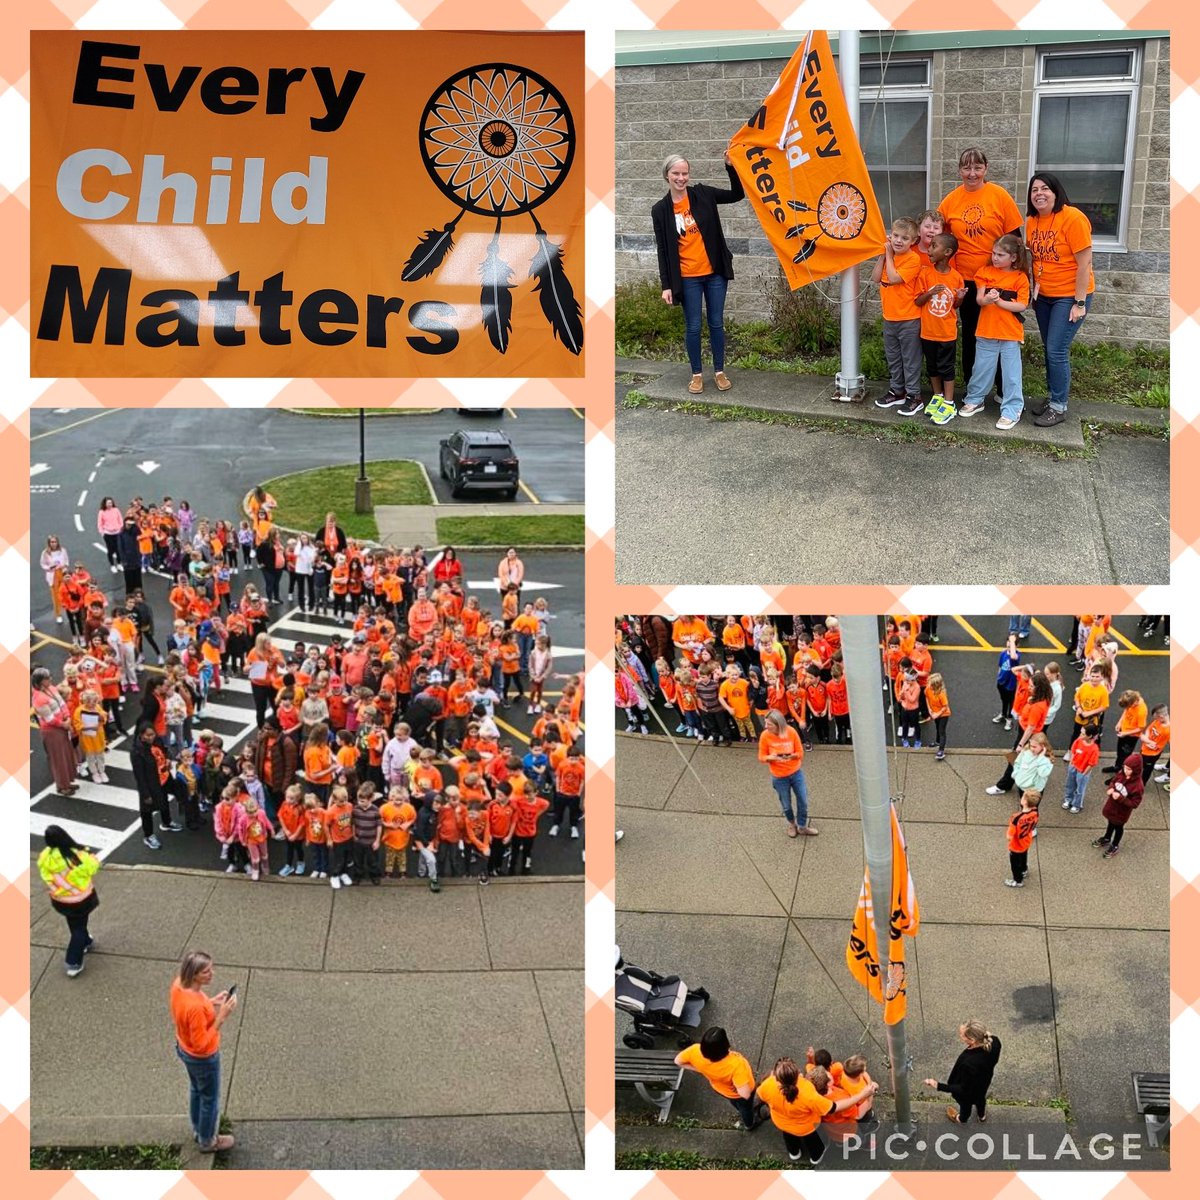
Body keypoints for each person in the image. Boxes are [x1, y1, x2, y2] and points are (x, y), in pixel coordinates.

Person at [651, 151, 744, 394]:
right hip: (687, 278)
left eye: (684, 173)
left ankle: (720, 372)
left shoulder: (703, 194)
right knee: (693, 326)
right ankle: (697, 375)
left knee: (716, 323)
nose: (681, 178)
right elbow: (662, 249)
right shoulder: (660, 210)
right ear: (667, 176)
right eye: (676, 173)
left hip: (714, 274)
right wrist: (666, 285)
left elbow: (737, 194)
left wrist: (730, 167)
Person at [938, 147, 1022, 395]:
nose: (972, 173)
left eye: (977, 167)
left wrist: (1017, 273)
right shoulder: (951, 200)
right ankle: (973, 386)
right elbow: (940, 238)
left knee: (999, 333)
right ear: (959, 170)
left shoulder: (999, 196)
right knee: (972, 334)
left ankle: (1000, 387)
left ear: (985, 168)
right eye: (966, 168)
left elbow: (1015, 238)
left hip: (999, 279)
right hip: (966, 280)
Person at [1024, 172, 1095, 427]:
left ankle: (1058, 406)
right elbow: (1036, 261)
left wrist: (1079, 303)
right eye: (1034, 190)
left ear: (1056, 192)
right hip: (1044, 296)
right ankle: (1055, 395)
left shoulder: (1073, 218)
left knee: (1056, 349)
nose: (1039, 193)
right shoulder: (1032, 221)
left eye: (1045, 188)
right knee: (1049, 348)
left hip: (1070, 295)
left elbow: (1084, 264)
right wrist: (1032, 291)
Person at [956, 235, 1029, 429]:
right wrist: (988, 299)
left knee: (1011, 374)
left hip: (1010, 333)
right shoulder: (984, 272)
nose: (995, 258)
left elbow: (1022, 305)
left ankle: (1012, 409)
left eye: (1000, 255)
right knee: (981, 369)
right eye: (994, 253)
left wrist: (999, 301)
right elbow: (979, 300)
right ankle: (975, 398)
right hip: (986, 330)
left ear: (1013, 257)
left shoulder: (1020, 277)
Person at [170, 950, 237, 1153]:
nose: (212, 974)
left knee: (196, 1090)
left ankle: (198, 1128)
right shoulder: (196, 1009)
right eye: (206, 972)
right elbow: (202, 1044)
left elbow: (195, 1001)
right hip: (202, 1058)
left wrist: (212, 1001)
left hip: (184, 1048)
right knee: (209, 1098)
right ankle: (208, 1140)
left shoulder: (178, 985)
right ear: (195, 975)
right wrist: (221, 1016)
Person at [757, 1057, 877, 1165]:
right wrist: (863, 1095)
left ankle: (794, 1153)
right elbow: (833, 1107)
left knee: (790, 1139)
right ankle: (816, 1158)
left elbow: (761, 1096)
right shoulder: (808, 1092)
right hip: (805, 1128)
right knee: (814, 1145)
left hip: (782, 1123)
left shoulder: (768, 1084)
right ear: (796, 1075)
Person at [871, 216, 925, 416]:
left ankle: (914, 396)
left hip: (909, 319)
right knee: (893, 358)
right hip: (890, 317)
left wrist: (889, 254)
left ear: (913, 241)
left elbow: (893, 278)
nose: (898, 241)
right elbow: (877, 277)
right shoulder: (889, 256)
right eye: (895, 236)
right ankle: (898, 391)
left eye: (904, 238)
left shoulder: (913, 259)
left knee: (910, 359)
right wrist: (883, 256)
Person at [913, 232, 965, 422]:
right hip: (928, 331)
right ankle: (938, 396)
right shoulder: (925, 273)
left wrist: (959, 298)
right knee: (932, 366)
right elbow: (918, 301)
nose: (929, 249)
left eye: (934, 246)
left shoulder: (956, 277)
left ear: (947, 252)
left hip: (947, 333)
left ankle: (949, 403)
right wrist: (930, 293)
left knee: (947, 367)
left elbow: (955, 305)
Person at [37, 825, 101, 977]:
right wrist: (91, 858)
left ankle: (85, 941)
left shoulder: (46, 856)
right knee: (79, 927)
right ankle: (73, 962)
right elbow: (91, 868)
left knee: (74, 923)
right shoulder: (75, 855)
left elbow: (47, 875)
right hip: (80, 899)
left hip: (61, 899)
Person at [675, 1027, 765, 1130]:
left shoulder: (694, 1050)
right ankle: (750, 1124)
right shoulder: (736, 1066)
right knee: (746, 1108)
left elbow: (677, 1061)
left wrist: (700, 1069)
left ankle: (742, 1112)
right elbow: (745, 1094)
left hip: (722, 1089)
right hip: (738, 1095)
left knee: (737, 1104)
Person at [924, 1020, 1002, 1124]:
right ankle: (982, 1116)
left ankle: (961, 1119)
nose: (960, 1035)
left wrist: (937, 1085)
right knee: (980, 1099)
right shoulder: (995, 1042)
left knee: (965, 1105)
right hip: (984, 1082)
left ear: (972, 1040)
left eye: (962, 1034)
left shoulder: (969, 1063)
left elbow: (963, 1088)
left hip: (968, 1091)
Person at [758, 709, 815, 838]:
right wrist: (770, 758)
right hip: (779, 777)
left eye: (769, 724)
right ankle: (791, 824)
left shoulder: (791, 732)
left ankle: (802, 826)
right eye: (766, 723)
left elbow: (800, 753)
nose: (766, 727)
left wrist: (792, 756)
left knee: (803, 800)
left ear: (778, 724)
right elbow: (761, 757)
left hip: (795, 773)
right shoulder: (765, 736)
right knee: (786, 805)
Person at [31, 667, 79, 796]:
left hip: (62, 726)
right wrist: (65, 724)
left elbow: (62, 703)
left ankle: (67, 781)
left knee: (66, 754)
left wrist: (68, 718)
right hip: (52, 731)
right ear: (41, 681)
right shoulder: (38, 698)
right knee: (59, 758)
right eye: (47, 678)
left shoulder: (51, 688)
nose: (50, 679)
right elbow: (49, 719)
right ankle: (62, 786)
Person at [1093, 753, 1144, 858]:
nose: (1126, 771)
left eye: (1129, 769)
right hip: (1112, 807)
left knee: (1118, 827)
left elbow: (1135, 803)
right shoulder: (1121, 774)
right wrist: (1111, 788)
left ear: (1136, 770)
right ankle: (1107, 837)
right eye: (1125, 767)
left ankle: (1115, 845)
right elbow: (1114, 781)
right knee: (1110, 823)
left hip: (1121, 812)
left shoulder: (1138, 786)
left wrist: (1121, 798)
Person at [1004, 789, 1040, 887]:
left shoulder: (1016, 818)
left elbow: (1009, 836)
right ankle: (1024, 869)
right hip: (1026, 840)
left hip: (1016, 845)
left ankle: (1017, 880)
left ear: (1024, 801)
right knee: (1024, 856)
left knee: (1015, 864)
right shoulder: (1035, 812)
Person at [1061, 726, 1100, 814]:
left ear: (1089, 736)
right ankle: (1068, 799)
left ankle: (1076, 804)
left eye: (1083, 733)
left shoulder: (1094, 749)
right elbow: (1073, 751)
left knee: (1080, 789)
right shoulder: (1078, 741)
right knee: (1070, 784)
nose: (1080, 735)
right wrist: (1071, 763)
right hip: (1074, 767)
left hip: (1083, 771)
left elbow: (1091, 763)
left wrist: (1084, 773)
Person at [40, 535, 70, 625]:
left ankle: (70, 610)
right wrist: (50, 567)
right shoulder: (45, 553)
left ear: (58, 542)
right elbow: (43, 564)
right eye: (51, 542)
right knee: (56, 597)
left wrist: (64, 567)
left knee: (66, 593)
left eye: (55, 542)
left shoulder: (63, 550)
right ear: (49, 543)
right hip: (53, 575)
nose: (53, 544)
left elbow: (67, 561)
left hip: (62, 573)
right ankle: (58, 615)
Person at [925, 671, 951, 762]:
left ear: (936, 685)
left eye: (930, 684)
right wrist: (930, 711)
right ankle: (937, 742)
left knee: (941, 730)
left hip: (943, 714)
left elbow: (945, 707)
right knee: (937, 727)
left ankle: (941, 750)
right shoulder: (928, 689)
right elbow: (927, 698)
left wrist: (936, 714)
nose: (928, 685)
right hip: (935, 713)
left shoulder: (941, 694)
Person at [97, 497, 124, 573]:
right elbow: (100, 524)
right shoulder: (102, 512)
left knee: (118, 549)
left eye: (111, 503)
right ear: (105, 504)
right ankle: (112, 565)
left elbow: (120, 519)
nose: (110, 504)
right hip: (108, 534)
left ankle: (119, 564)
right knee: (110, 550)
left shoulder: (116, 510)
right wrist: (102, 533)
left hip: (117, 533)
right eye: (108, 503)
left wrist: (120, 528)